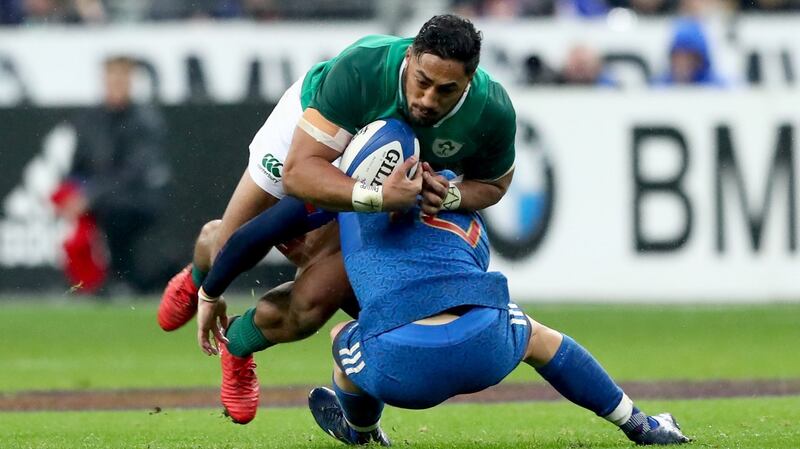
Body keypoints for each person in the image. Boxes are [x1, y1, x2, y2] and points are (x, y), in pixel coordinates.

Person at [156, 14, 517, 425]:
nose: (429, 100)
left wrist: (450, 194)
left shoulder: (492, 110)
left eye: (446, 90)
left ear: (468, 82)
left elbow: (494, 184)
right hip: (314, 134)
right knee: (230, 246)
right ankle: (201, 270)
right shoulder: (363, 68)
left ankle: (236, 344)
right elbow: (298, 173)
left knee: (316, 304)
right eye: (422, 81)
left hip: (384, 177)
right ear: (410, 57)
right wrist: (211, 293)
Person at [307, 184, 691, 446]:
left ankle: (362, 431)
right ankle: (641, 425)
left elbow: (296, 207)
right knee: (538, 338)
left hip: (401, 371)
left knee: (341, 335)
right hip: (485, 346)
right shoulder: (454, 193)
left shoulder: (347, 196)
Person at [55, 55, 170, 294]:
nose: (116, 85)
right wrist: (68, 193)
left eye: (122, 79)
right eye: (111, 79)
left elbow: (133, 172)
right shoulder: (90, 119)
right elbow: (78, 167)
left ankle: (121, 279)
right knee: (76, 226)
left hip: (137, 198)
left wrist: (91, 196)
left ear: (130, 82)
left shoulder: (145, 120)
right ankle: (87, 282)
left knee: (116, 212)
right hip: (99, 197)